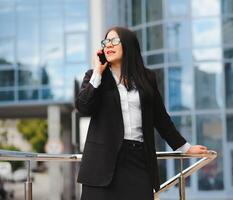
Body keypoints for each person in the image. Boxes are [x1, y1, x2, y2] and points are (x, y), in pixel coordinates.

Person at [75, 26, 208, 200]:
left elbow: (160, 118)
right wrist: (98, 72)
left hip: (138, 160)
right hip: (102, 163)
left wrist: (186, 148)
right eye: (106, 41)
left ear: (128, 45)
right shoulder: (95, 76)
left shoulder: (147, 78)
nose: (108, 45)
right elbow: (83, 108)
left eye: (114, 40)